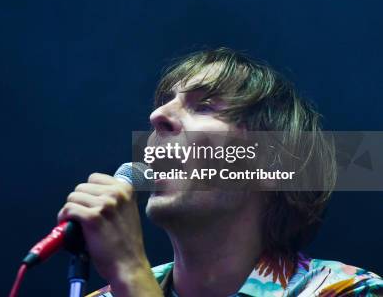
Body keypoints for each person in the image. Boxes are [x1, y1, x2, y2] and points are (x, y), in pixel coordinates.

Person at [57, 47, 382, 297]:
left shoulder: (346, 290)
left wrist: (130, 272)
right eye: (164, 103)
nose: (157, 116)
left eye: (205, 105)